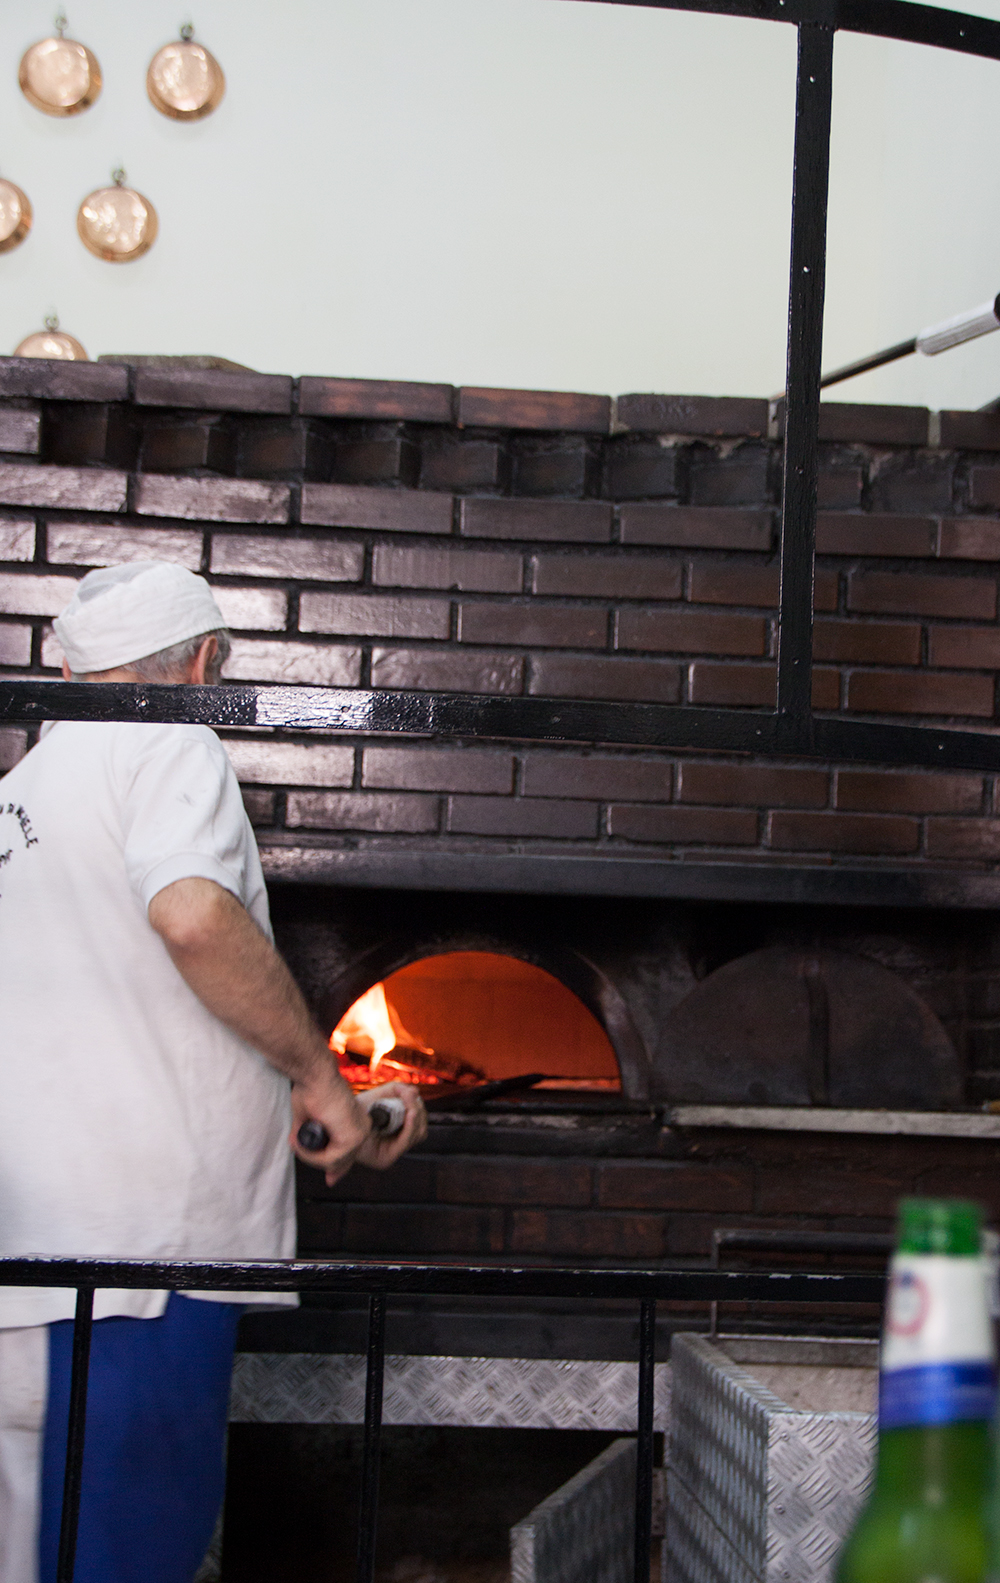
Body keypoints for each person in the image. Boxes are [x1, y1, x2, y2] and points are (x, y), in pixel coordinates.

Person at [0, 560, 427, 1583]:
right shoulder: (168, 738)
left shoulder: (18, 795)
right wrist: (319, 1075)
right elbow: (192, 916)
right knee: (129, 1561)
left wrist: (315, 1099)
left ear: (71, 668)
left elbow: (112, 1027)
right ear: (202, 663)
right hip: (139, 1271)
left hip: (26, 1267)